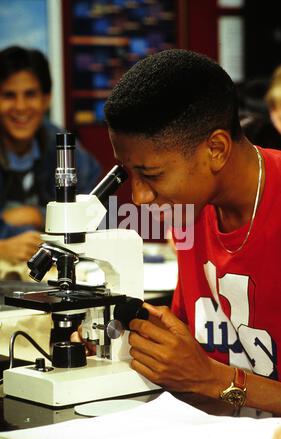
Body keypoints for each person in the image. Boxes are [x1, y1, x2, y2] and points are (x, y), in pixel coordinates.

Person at [73, 48, 281, 416]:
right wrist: (129, 344)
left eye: (151, 175)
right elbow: (193, 356)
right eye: (127, 173)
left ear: (215, 149)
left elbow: (204, 376)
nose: (137, 197)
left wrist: (212, 379)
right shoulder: (190, 210)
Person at [0, 46, 102, 265]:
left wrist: (40, 216)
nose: (20, 107)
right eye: (9, 95)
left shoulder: (64, 148)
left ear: (46, 99)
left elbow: (97, 214)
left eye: (30, 94)